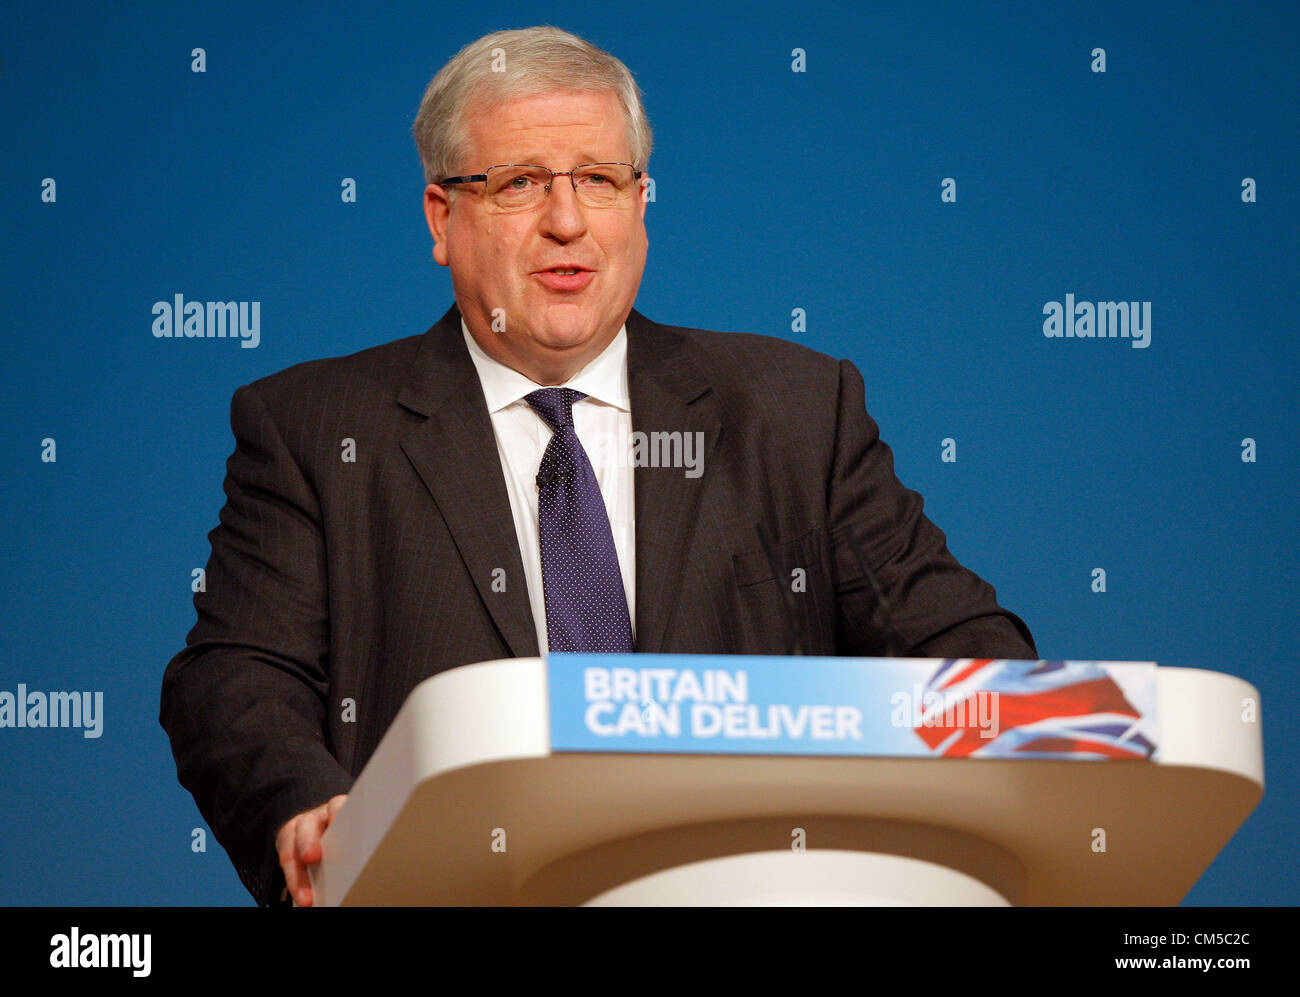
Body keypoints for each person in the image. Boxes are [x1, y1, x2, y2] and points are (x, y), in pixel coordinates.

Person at [160, 26, 1036, 907]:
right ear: (442, 217)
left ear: (641, 202)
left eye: (599, 180)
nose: (567, 220)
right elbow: (236, 678)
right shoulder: (316, 429)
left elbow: (966, 657)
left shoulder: (796, 412)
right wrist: (314, 814)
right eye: (520, 183)